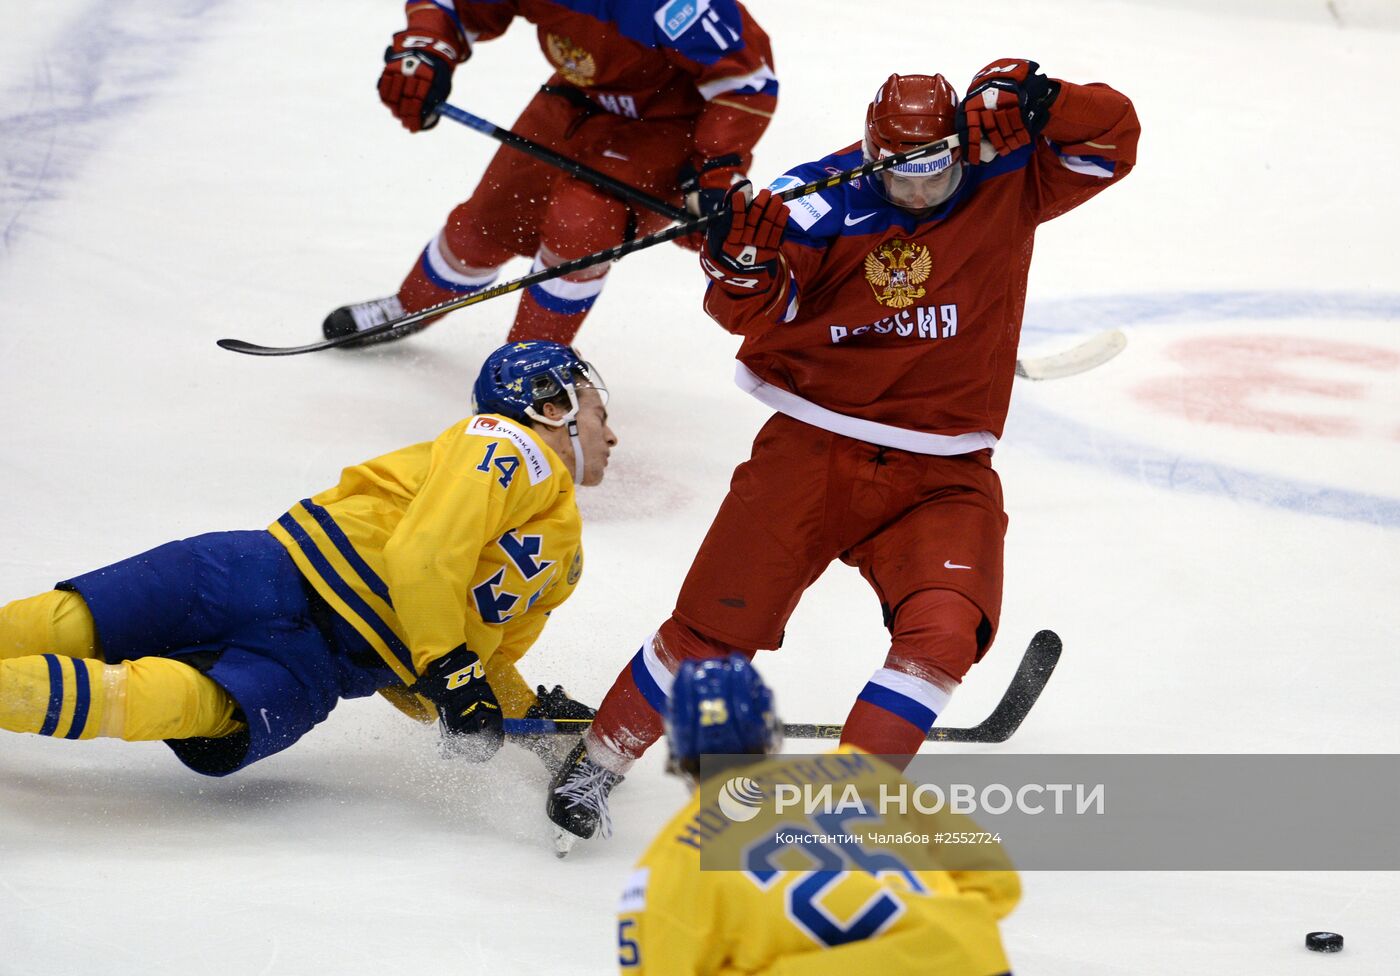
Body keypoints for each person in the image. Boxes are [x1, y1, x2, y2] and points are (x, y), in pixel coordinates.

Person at [547, 61, 1139, 846]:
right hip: (813, 448)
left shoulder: (1004, 170)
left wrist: (1041, 95)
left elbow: (1113, 140)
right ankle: (597, 760)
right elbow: (750, 310)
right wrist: (738, 264)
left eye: (939, 171)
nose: (925, 192)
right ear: (870, 152)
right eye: (907, 176)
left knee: (945, 633)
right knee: (710, 630)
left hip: (944, 472)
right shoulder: (816, 200)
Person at [0, 341, 616, 777]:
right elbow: (425, 554)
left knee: (142, 697)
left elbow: (450, 678)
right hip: (270, 580)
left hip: (311, 655)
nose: (611, 436)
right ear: (548, 403)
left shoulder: (566, 560)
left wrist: (528, 718)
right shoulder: (508, 444)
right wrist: (454, 673)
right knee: (69, 631)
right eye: (599, 412)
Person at [323, 0, 778, 348]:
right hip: (573, 100)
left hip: (665, 125)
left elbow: (745, 81)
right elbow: (459, 7)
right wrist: (426, 49)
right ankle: (411, 307)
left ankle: (528, 369)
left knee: (582, 223)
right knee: (486, 225)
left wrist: (715, 168)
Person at [615, 654, 1020, 972]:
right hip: (969, 962)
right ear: (770, 728)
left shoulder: (677, 854)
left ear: (678, 749)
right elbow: (998, 882)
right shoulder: (860, 771)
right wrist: (942, 936)